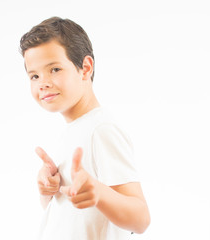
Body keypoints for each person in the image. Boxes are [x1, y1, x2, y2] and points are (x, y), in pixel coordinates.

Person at [19, 16, 150, 240]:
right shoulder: (72, 130)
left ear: (85, 68)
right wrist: (48, 191)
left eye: (55, 69)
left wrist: (99, 192)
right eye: (34, 76)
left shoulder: (100, 129)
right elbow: (68, 217)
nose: (43, 82)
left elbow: (141, 219)